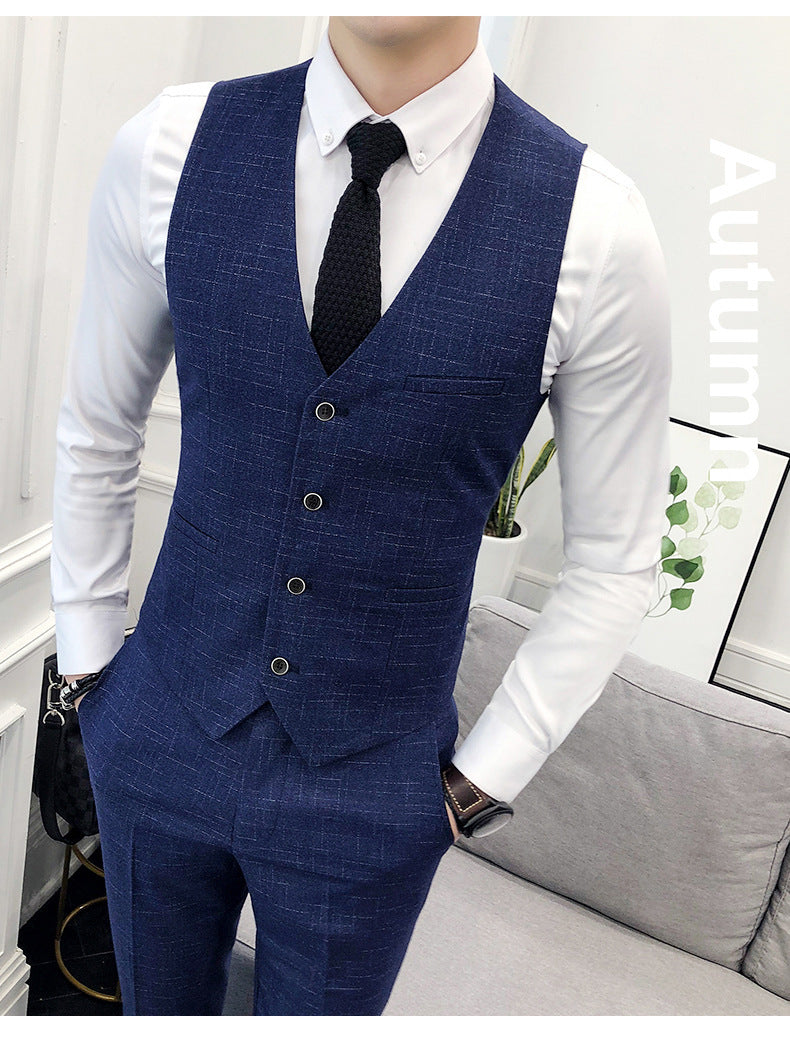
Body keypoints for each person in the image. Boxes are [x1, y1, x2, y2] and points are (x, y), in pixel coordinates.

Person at [51, 15, 671, 1015]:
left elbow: (615, 560)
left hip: (374, 789)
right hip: (158, 729)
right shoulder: (168, 144)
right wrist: (89, 671)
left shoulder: (594, 227)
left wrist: (477, 783)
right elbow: (96, 425)